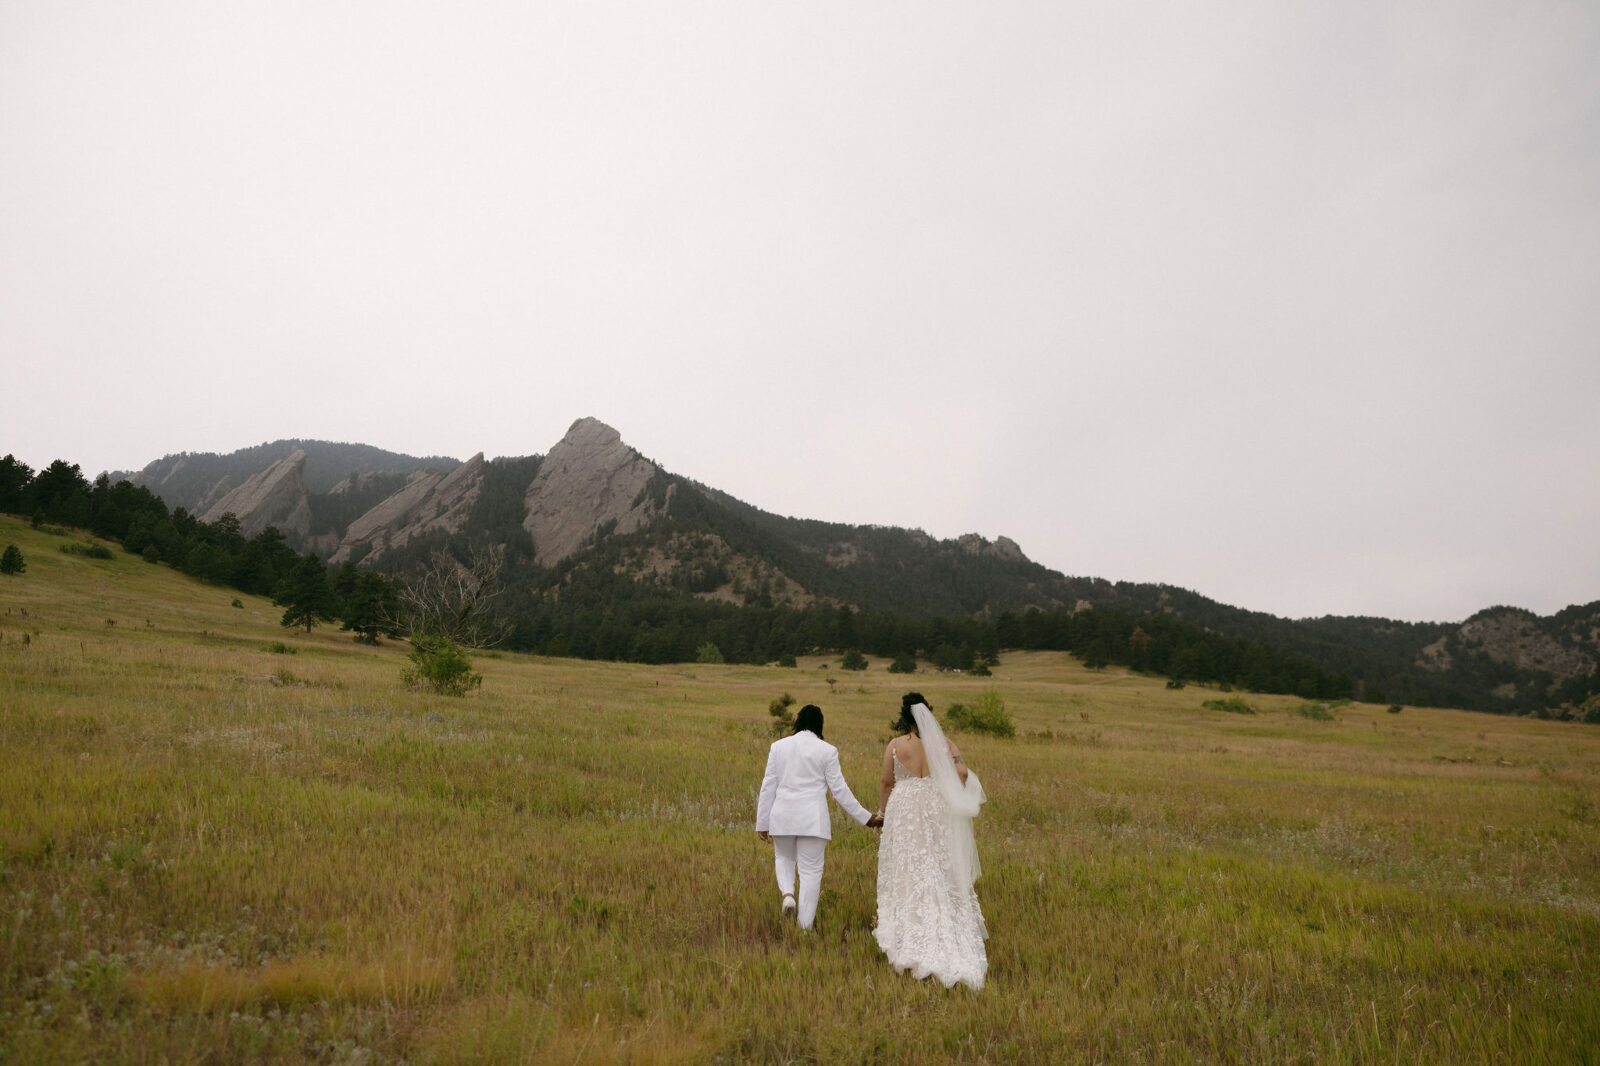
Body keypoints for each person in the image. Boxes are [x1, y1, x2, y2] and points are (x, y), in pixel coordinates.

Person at [873, 691, 988, 989]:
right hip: (935, 807)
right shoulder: (945, 745)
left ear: (904, 716)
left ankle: (909, 929)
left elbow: (887, 781)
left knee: (909, 868)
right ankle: (947, 928)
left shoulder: (896, 746)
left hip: (906, 810)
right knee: (938, 864)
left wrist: (883, 813)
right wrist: (951, 789)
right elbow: (961, 772)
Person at [755, 704, 881, 930]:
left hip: (782, 816)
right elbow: (840, 791)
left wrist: (762, 822)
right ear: (819, 724)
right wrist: (866, 818)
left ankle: (787, 894)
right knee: (810, 872)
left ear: (798, 721)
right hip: (813, 820)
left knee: (783, 858)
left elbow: (768, 786)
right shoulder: (827, 750)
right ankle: (804, 928)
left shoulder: (778, 747)